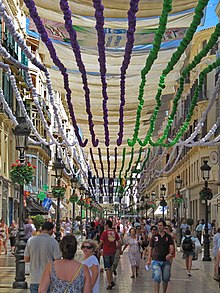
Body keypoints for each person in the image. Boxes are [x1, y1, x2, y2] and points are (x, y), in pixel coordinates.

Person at [24, 222, 61, 293]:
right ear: (51, 230)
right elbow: (57, 261)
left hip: (34, 278)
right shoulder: (53, 242)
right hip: (48, 278)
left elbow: (26, 259)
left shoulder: (31, 240)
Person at [147, 220, 174, 293]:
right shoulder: (154, 236)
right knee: (157, 277)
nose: (159, 227)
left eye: (161, 225)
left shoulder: (168, 237)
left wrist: (170, 254)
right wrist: (149, 259)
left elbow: (171, 247)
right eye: (158, 225)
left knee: (165, 278)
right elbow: (150, 248)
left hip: (166, 261)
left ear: (164, 227)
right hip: (156, 260)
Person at [99, 219, 121, 290]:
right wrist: (118, 248)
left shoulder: (105, 233)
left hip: (106, 252)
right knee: (111, 267)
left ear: (107, 225)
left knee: (107, 268)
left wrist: (98, 249)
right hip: (113, 252)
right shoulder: (115, 233)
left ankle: (109, 283)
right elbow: (119, 242)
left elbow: (101, 242)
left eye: (105, 224)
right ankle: (111, 281)